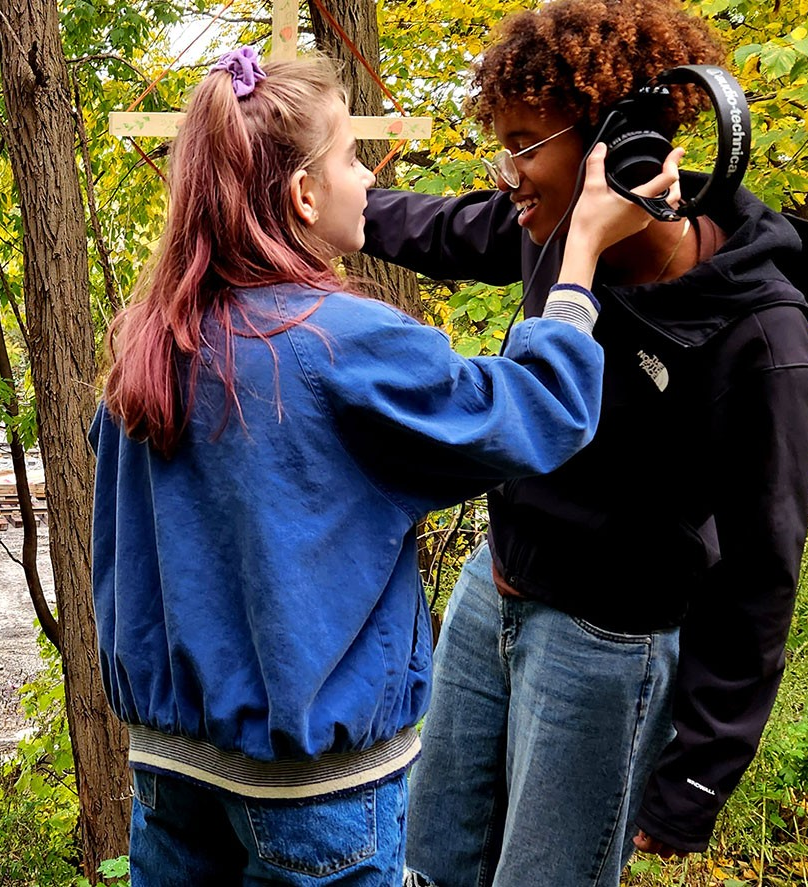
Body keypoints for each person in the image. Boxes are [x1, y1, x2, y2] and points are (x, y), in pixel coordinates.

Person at [89, 45, 682, 887]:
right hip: (311, 791)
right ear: (302, 194)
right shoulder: (339, 344)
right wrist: (579, 248)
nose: (368, 179)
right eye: (348, 159)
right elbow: (532, 411)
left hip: (170, 774)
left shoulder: (151, 338)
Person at [361, 1, 808, 885]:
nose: (507, 171)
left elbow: (760, 574)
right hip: (496, 590)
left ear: (620, 149)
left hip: (602, 643)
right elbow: (442, 227)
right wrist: (326, 205)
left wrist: (700, 774)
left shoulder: (756, 335)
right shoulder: (551, 232)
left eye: (525, 143)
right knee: (429, 863)